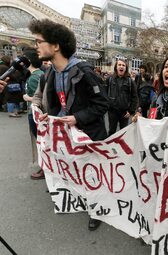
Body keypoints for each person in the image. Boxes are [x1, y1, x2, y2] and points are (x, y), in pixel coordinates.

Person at [28, 18, 109, 231]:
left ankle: (96, 210)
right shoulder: (50, 73)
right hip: (65, 137)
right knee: (75, 172)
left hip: (88, 135)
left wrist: (77, 118)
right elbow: (54, 104)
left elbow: (103, 104)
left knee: (92, 176)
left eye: (39, 41)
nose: (36, 46)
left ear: (56, 46)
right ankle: (75, 198)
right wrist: (48, 117)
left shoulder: (85, 72)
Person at [22, 47, 45, 180]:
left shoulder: (35, 77)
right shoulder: (38, 74)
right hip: (35, 113)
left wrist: (27, 98)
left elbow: (42, 97)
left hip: (35, 113)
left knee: (41, 143)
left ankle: (44, 168)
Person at [106, 58, 138, 135]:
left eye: (123, 65)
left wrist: (131, 111)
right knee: (111, 131)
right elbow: (104, 93)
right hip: (112, 111)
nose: (121, 66)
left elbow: (135, 97)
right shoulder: (109, 79)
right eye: (119, 65)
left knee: (123, 133)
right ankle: (110, 146)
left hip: (125, 113)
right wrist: (106, 106)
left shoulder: (130, 81)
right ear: (116, 67)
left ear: (126, 68)